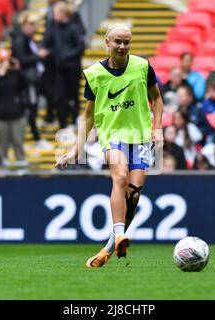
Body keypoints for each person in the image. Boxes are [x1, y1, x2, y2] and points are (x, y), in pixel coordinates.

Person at [55, 24, 164, 267]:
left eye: (127, 42)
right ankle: (119, 235)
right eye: (118, 42)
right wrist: (75, 151)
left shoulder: (142, 66)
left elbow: (157, 99)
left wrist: (157, 129)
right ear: (107, 42)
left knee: (133, 197)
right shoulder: (95, 74)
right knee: (120, 177)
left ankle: (107, 248)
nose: (123, 47)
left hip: (140, 136)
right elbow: (88, 116)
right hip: (112, 134)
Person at [42, 1, 86, 129]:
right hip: (59, 68)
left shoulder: (74, 27)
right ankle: (62, 122)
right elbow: (47, 42)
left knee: (73, 95)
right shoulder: (53, 26)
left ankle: (74, 119)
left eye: (56, 13)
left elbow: (80, 47)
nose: (53, 15)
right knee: (59, 96)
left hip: (72, 68)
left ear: (63, 13)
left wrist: (66, 55)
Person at [0, 48, 27, 161]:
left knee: (18, 145)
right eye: (2, 61)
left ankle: (22, 170)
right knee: (0, 148)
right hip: (0, 118)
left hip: (17, 117)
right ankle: (1, 172)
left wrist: (18, 69)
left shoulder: (15, 75)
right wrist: (0, 74)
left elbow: (25, 85)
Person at [10, 11, 46, 141]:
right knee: (31, 107)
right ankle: (34, 135)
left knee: (34, 106)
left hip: (31, 77)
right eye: (33, 26)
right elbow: (22, 59)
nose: (34, 30)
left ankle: (33, 133)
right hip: (27, 79)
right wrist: (38, 56)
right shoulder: (20, 39)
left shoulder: (26, 38)